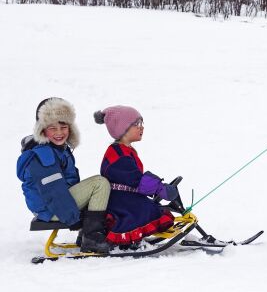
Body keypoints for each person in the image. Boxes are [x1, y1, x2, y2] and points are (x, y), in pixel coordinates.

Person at [16, 98, 112, 254]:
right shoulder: (44, 155)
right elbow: (53, 191)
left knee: (94, 187)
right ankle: (92, 239)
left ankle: (87, 234)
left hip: (52, 205)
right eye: (52, 128)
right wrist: (73, 218)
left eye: (63, 127)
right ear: (42, 129)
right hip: (51, 208)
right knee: (99, 183)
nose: (59, 133)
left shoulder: (58, 149)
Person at [94, 105, 179, 246]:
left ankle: (136, 234)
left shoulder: (126, 150)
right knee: (147, 212)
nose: (142, 127)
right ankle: (129, 237)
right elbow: (135, 179)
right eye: (136, 124)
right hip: (120, 200)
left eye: (142, 123)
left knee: (152, 207)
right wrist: (160, 189)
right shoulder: (118, 154)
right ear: (122, 128)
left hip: (128, 196)